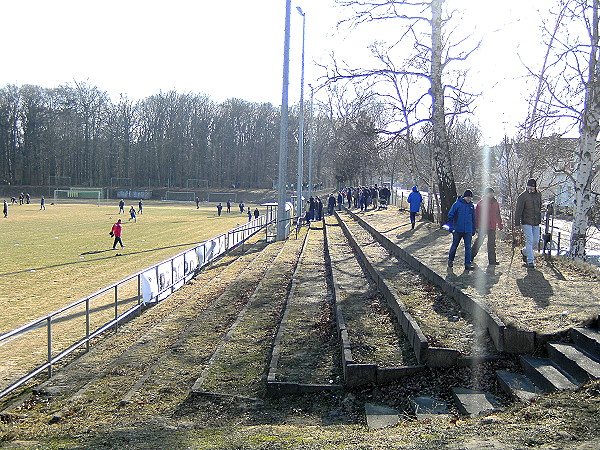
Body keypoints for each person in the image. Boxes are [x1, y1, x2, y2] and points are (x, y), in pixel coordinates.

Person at [471, 187, 503, 265]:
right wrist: (477, 226)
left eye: (492, 193)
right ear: (485, 194)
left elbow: (498, 214)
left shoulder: (495, 203)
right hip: (483, 226)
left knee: (491, 244)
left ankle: (492, 261)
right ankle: (470, 257)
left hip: (492, 226)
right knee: (479, 242)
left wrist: (500, 224)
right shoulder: (480, 203)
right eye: (489, 193)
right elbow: (477, 216)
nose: (491, 194)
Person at [515, 178, 542, 268]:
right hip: (526, 221)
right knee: (529, 240)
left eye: (532, 186)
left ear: (535, 187)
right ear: (527, 186)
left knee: (535, 241)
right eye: (529, 186)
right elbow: (518, 210)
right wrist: (517, 223)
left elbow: (539, 207)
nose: (530, 188)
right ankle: (530, 261)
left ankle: (524, 252)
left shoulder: (538, 195)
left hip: (536, 222)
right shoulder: (523, 196)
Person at [447, 189, 476, 270]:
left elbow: (474, 218)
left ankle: (467, 264)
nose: (469, 199)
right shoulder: (457, 204)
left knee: (468, 248)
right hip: (457, 229)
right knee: (454, 246)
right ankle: (450, 260)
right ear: (464, 197)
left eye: (470, 197)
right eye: (468, 197)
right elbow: (450, 215)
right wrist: (451, 227)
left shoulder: (471, 206)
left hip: (468, 230)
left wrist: (473, 229)